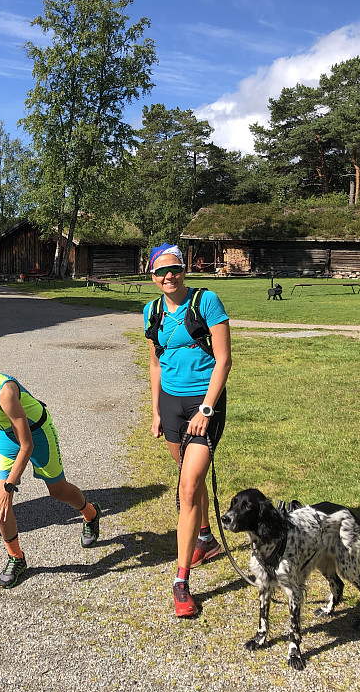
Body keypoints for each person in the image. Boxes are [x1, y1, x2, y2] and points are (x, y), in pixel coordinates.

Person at [0, 366, 102, 589]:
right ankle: (16, 558)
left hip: (37, 433)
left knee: (58, 491)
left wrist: (9, 485)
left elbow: (27, 445)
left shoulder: (4, 392)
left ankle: (91, 513)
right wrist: (0, 477)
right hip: (6, 435)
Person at [144, 243, 232, 618]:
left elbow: (224, 358)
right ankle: (206, 537)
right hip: (171, 405)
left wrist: (207, 410)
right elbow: (155, 364)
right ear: (152, 276)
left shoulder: (206, 300)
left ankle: (181, 582)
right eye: (162, 271)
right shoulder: (151, 311)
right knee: (188, 480)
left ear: (184, 270)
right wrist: (156, 412)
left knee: (187, 487)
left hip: (204, 404)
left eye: (175, 269)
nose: (169, 276)